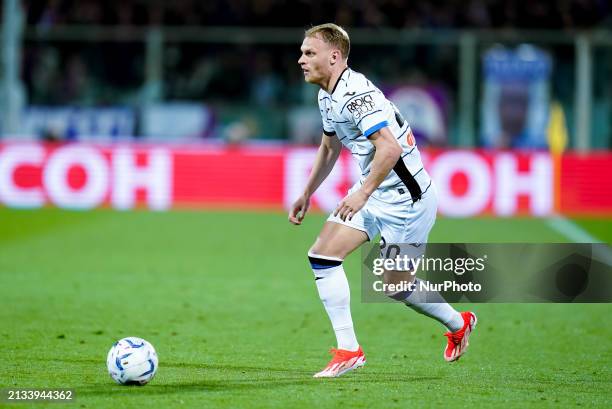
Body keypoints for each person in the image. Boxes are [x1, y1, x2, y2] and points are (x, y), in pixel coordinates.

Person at [289, 23, 477, 378]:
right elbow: (330, 147)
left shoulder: (357, 96)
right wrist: (307, 192)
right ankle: (349, 350)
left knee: (395, 285)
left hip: (407, 201)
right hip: (374, 190)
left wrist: (361, 193)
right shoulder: (327, 94)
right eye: (302, 52)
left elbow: (389, 148)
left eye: (309, 53)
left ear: (334, 57)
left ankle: (459, 322)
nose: (301, 60)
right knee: (323, 256)